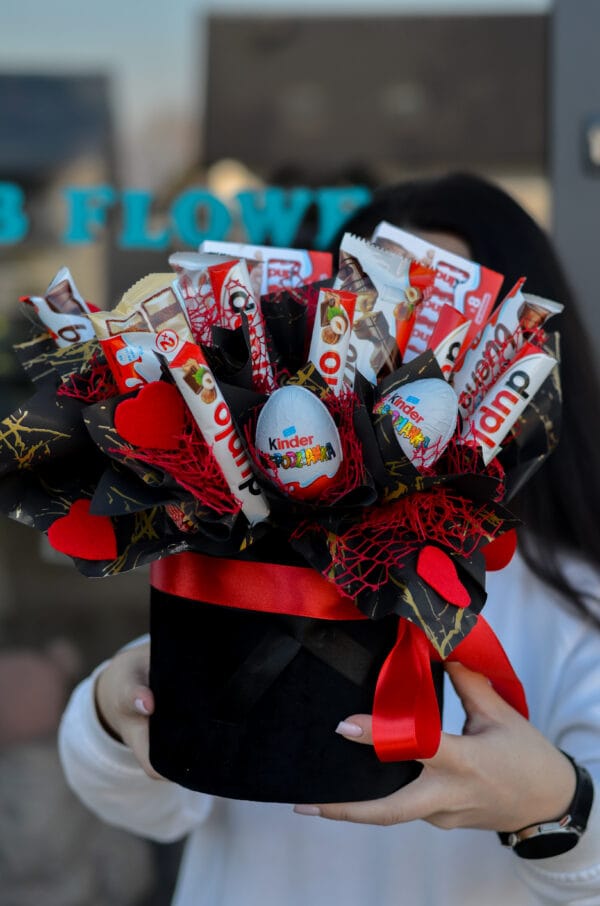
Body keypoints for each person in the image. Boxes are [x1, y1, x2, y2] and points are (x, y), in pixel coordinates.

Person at [59, 173, 600, 905]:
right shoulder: (249, 552)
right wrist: (109, 715)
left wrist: (555, 805)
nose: (410, 354)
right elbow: (153, 807)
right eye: (385, 318)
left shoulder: (578, 604)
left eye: (446, 325)